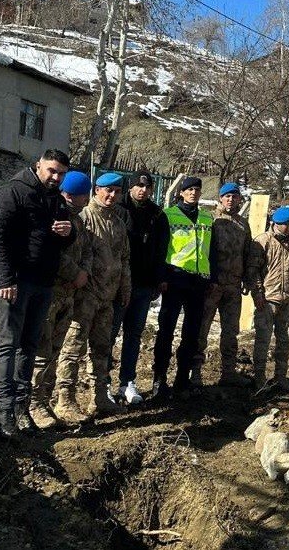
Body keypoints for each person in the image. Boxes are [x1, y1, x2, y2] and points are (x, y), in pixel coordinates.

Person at [0, 149, 74, 438]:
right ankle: (3, 412)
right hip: (16, 283)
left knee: (29, 346)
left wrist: (67, 232)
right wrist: (5, 278)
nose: (56, 177)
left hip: (43, 284)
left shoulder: (56, 199)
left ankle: (22, 408)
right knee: (7, 345)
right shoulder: (13, 192)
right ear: (38, 166)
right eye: (51, 170)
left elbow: (66, 239)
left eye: (61, 173)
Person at [54, 172, 131, 422]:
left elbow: (124, 259)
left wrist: (125, 288)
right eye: (106, 190)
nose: (111, 195)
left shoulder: (118, 223)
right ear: (96, 191)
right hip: (84, 297)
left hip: (107, 298)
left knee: (102, 349)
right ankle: (65, 399)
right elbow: (77, 254)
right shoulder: (85, 218)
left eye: (117, 191)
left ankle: (99, 396)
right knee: (73, 348)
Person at [30, 170, 93, 429]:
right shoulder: (56, 214)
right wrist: (75, 272)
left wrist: (84, 272)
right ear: (71, 195)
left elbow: (86, 250)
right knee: (41, 353)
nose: (86, 199)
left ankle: (46, 402)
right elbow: (50, 251)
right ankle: (33, 404)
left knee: (55, 351)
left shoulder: (78, 221)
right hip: (51, 293)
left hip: (69, 296)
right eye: (83, 195)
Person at [111, 170, 169, 404]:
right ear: (130, 187)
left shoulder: (157, 214)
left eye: (147, 186)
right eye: (138, 186)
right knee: (110, 334)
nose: (142, 190)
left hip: (144, 284)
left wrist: (159, 279)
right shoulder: (118, 209)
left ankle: (127, 381)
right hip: (118, 284)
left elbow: (162, 249)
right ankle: (103, 383)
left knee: (133, 335)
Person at [152, 176, 213, 399]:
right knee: (166, 331)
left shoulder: (206, 218)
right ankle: (159, 379)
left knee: (191, 333)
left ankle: (182, 379)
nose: (194, 193)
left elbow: (210, 250)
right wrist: (161, 277)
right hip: (175, 279)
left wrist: (211, 278)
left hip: (198, 282)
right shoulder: (168, 216)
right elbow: (159, 249)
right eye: (189, 190)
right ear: (181, 193)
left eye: (197, 190)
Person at [192, 182, 255, 388]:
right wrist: (206, 279)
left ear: (239, 199)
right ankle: (196, 373)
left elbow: (247, 253)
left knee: (230, 331)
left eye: (234, 196)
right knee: (202, 329)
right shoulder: (210, 220)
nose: (230, 200)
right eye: (226, 196)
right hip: (213, 285)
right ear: (220, 198)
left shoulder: (243, 224)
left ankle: (228, 372)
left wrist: (247, 277)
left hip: (233, 286)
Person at [251, 206, 289, 392]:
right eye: (286, 225)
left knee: (284, 341)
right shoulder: (263, 241)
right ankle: (259, 376)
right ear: (277, 224)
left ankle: (280, 376)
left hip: (287, 299)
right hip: (268, 298)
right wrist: (258, 293)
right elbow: (253, 271)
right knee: (263, 339)